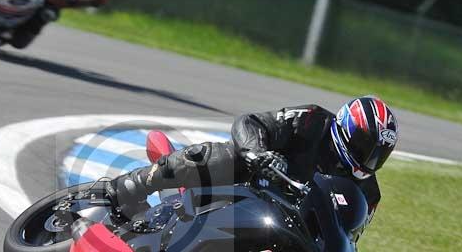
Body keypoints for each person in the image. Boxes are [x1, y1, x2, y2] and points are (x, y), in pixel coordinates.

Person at [105, 96, 399, 224]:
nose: (368, 157)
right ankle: (133, 185)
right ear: (346, 128)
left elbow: (350, 234)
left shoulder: (368, 193)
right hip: (250, 180)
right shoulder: (313, 120)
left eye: (377, 153)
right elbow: (253, 122)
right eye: (364, 145)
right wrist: (257, 152)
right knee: (222, 156)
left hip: (284, 220)